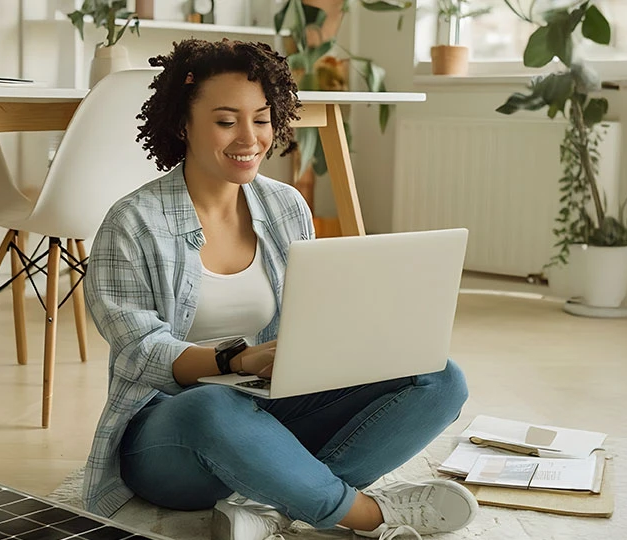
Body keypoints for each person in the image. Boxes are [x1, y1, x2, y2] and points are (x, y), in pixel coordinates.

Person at [82, 38, 476, 539]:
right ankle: (365, 515)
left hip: (268, 407)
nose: (249, 137)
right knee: (213, 405)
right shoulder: (132, 222)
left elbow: (312, 321)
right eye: (226, 121)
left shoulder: (286, 206)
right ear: (183, 123)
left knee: (440, 377)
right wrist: (236, 360)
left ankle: (269, 502)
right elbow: (140, 351)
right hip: (171, 431)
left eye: (262, 119)